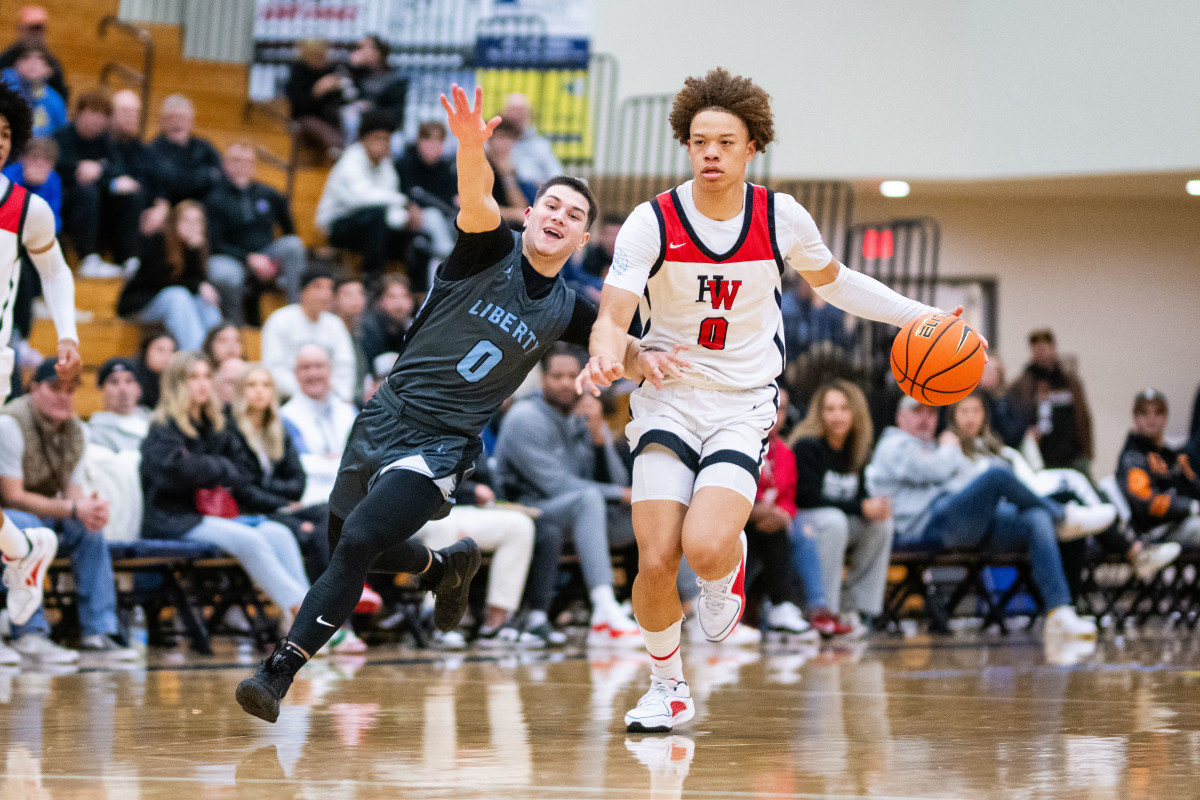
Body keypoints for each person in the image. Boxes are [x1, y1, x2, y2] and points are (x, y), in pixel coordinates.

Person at [234, 84, 678, 723]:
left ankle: (279, 672)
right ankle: (446, 566)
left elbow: (619, 343)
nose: (558, 215)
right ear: (530, 212)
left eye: (573, 214)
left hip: (442, 443)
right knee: (349, 548)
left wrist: (646, 359)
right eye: (550, 203)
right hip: (386, 416)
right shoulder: (487, 249)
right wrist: (473, 147)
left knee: (357, 539)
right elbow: (475, 199)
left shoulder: (566, 308)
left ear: (582, 238)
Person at [575, 67, 951, 734]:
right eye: (698, 141)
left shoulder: (779, 216)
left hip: (743, 401)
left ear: (752, 146)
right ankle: (667, 688)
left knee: (706, 543)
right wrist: (607, 347)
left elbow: (836, 284)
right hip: (667, 398)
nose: (710, 153)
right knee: (656, 556)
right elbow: (612, 312)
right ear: (686, 146)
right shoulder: (651, 220)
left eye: (725, 141)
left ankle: (728, 571)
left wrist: (918, 315)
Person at [867, 396, 1101, 638]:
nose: (926, 419)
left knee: (1035, 517)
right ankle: (1062, 516)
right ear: (900, 417)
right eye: (918, 412)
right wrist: (949, 448)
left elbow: (961, 480)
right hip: (928, 527)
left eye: (931, 413)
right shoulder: (894, 444)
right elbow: (935, 469)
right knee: (996, 475)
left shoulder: (933, 448)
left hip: (963, 523)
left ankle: (1059, 612)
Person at [140, 351, 311, 634]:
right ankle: (304, 614)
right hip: (172, 519)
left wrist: (205, 467)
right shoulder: (163, 427)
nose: (202, 384)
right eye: (193, 377)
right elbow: (173, 474)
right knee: (250, 540)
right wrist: (214, 467)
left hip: (212, 516)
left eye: (207, 376)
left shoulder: (214, 425)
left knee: (278, 533)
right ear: (176, 384)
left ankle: (298, 618)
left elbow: (238, 472)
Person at [494, 345, 642, 646]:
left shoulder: (581, 415)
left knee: (654, 511)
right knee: (588, 500)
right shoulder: (525, 417)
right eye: (556, 376)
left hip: (577, 513)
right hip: (526, 511)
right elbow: (556, 486)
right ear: (542, 379)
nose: (564, 383)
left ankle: (690, 609)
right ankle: (604, 608)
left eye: (572, 376)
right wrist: (619, 493)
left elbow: (614, 480)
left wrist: (600, 437)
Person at [0, 81, 81, 633]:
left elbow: (55, 272)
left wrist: (68, 333)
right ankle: (23, 547)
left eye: (5, 134)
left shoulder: (24, 208)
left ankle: (24, 549)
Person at [947, 390, 1177, 581]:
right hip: (996, 519)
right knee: (1070, 497)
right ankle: (1134, 549)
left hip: (1028, 502)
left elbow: (1029, 479)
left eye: (975, 411)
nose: (970, 418)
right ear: (953, 417)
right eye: (964, 411)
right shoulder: (950, 449)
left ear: (985, 416)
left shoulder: (1001, 450)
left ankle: (1077, 597)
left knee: (1076, 499)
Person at [0, 358, 137, 657]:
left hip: (37, 517)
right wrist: (76, 508)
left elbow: (73, 498)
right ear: (34, 388)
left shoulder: (77, 431)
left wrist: (88, 510)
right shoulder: (10, 424)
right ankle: (29, 631)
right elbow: (11, 496)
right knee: (25, 524)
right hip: (8, 519)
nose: (64, 396)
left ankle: (99, 631)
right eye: (54, 387)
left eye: (70, 389)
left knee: (86, 528)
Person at [790, 380, 894, 638]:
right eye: (830, 409)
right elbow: (806, 496)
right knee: (835, 520)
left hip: (834, 521)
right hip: (803, 522)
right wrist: (860, 506)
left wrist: (874, 506)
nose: (837, 415)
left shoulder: (855, 449)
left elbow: (857, 496)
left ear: (855, 412)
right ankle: (825, 611)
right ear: (820, 414)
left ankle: (857, 608)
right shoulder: (807, 446)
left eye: (844, 408)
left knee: (881, 524)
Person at [315, 110, 443, 289]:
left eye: (387, 139)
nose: (384, 144)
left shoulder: (385, 166)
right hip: (337, 226)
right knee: (377, 216)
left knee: (417, 237)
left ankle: (417, 293)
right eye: (378, 139)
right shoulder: (350, 160)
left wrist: (406, 219)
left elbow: (390, 205)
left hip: (372, 227)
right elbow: (360, 199)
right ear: (364, 139)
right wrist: (403, 202)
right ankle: (371, 280)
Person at [744, 385, 818, 639]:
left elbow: (789, 500)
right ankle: (777, 605)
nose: (775, 413)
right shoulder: (739, 444)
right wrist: (754, 511)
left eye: (782, 408)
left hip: (769, 526)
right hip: (736, 521)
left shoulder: (786, 454)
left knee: (780, 530)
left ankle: (785, 607)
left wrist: (782, 514)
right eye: (770, 404)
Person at [205, 141, 307, 325]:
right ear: (225, 164)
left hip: (267, 254)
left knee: (293, 245)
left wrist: (274, 262)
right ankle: (234, 326)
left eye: (247, 161)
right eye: (236, 160)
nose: (242, 165)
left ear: (254, 166)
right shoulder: (215, 198)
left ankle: (297, 312)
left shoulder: (268, 193)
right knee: (223, 271)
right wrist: (249, 258)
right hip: (233, 259)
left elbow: (289, 227)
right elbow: (215, 243)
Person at [117, 200, 221, 351]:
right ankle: (196, 358)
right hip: (141, 305)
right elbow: (159, 283)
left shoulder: (197, 247)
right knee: (177, 296)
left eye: (198, 221)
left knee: (206, 302)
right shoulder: (159, 241)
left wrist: (194, 254)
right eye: (186, 220)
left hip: (170, 303)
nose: (192, 226)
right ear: (174, 222)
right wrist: (197, 285)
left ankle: (217, 355)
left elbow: (197, 284)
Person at [54, 90, 131, 277]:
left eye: (103, 116)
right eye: (92, 114)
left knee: (129, 195)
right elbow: (59, 167)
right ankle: (87, 258)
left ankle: (128, 259)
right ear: (79, 113)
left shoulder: (104, 140)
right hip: (67, 198)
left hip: (97, 198)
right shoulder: (61, 136)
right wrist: (78, 169)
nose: (97, 121)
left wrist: (99, 169)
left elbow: (119, 168)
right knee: (87, 193)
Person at [1116, 388, 1200, 548]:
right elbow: (1147, 504)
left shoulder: (1171, 455)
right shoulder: (1133, 458)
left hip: (1180, 521)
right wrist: (1191, 506)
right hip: (1155, 530)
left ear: (1165, 417)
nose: (1151, 418)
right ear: (1135, 417)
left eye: (1158, 412)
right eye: (1144, 413)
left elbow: (1193, 485)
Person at [260, 267, 357, 402]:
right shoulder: (280, 320)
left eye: (329, 288)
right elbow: (273, 368)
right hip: (287, 398)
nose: (325, 294)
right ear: (302, 292)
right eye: (318, 287)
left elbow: (345, 367)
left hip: (329, 399)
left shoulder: (335, 324)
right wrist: (306, 393)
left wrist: (338, 395)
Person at [1007, 328, 1094, 476]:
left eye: (1044, 347)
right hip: (1040, 457)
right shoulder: (1021, 385)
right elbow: (1015, 419)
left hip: (1073, 455)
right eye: (1036, 348)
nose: (1041, 352)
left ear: (1053, 348)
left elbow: (1083, 416)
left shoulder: (1070, 382)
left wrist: (1087, 451)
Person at [1, 135, 59, 340]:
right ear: (23, 160)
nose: (39, 166)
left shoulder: (53, 181)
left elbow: (54, 219)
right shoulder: (9, 177)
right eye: (35, 160)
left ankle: (41, 297)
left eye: (46, 162)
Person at [147, 95, 223, 208]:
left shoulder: (205, 147)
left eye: (182, 118)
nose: (177, 122)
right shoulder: (152, 149)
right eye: (172, 117)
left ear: (191, 123)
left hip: (202, 210)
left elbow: (222, 175)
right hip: (169, 209)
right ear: (162, 123)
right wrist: (205, 176)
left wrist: (185, 178)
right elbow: (170, 183)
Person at [284, 39, 348, 161]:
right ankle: (338, 148)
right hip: (305, 118)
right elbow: (299, 108)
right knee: (313, 124)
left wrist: (337, 88)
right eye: (316, 56)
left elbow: (338, 102)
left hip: (329, 117)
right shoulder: (298, 74)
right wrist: (317, 91)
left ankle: (341, 148)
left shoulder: (330, 71)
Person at [0, 7, 67, 103]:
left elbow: (61, 99)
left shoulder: (54, 66)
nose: (35, 34)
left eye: (39, 28)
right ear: (20, 29)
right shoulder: (5, 61)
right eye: (31, 28)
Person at [86, 357, 150, 453]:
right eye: (114, 382)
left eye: (129, 381)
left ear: (138, 388)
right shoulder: (93, 433)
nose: (123, 388)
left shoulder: (155, 424)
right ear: (101, 390)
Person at [0, 42, 64, 137]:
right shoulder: (3, 87)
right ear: (16, 63)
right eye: (26, 57)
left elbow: (60, 135)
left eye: (40, 58)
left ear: (48, 70)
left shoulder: (53, 99)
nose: (33, 62)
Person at [394, 120, 457, 216]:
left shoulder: (447, 168)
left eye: (439, 140)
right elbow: (402, 194)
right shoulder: (404, 164)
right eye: (428, 139)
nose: (433, 145)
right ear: (418, 141)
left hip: (445, 215)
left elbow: (452, 198)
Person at [501, 93, 563, 188]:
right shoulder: (494, 142)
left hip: (535, 193)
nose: (517, 115)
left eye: (521, 111)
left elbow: (556, 174)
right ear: (505, 114)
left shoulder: (540, 145)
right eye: (514, 110)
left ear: (529, 115)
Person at [359, 274, 413, 367]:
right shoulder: (366, 331)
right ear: (380, 301)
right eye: (392, 297)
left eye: (405, 296)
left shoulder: (413, 329)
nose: (399, 303)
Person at [132, 330, 176, 410]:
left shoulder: (174, 378)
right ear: (146, 350)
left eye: (171, 351)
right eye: (160, 350)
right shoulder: (132, 374)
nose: (166, 356)